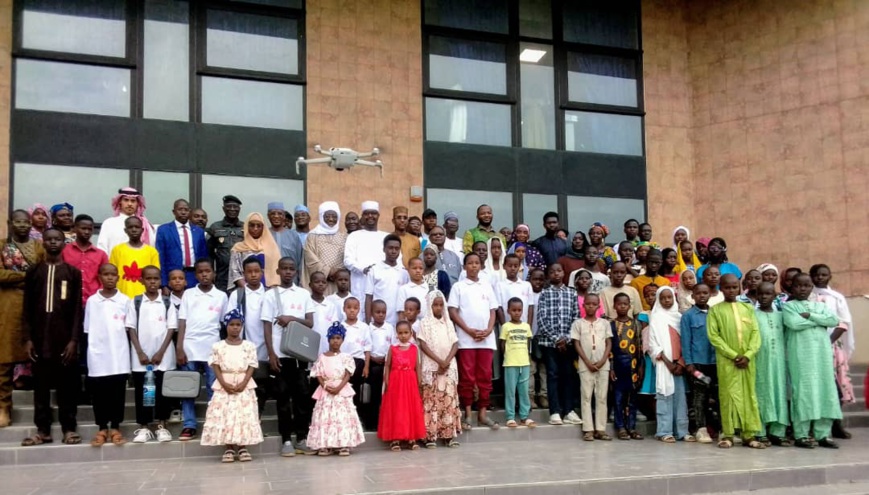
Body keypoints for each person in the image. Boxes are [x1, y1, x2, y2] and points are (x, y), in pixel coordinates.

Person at [19, 229, 83, 446]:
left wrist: (74, 340)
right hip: (39, 339)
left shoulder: (73, 273)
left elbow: (77, 310)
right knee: (41, 387)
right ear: (43, 243)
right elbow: (26, 308)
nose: (53, 242)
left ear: (64, 243)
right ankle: (43, 430)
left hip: (64, 340)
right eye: (49, 239)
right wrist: (27, 339)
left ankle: (69, 428)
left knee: (67, 386)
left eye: (57, 239)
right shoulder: (34, 271)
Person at [260, 257, 316, 456]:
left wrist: (291, 319)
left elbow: (310, 323)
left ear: (296, 272)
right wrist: (271, 353)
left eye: (291, 269)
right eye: (284, 268)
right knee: (283, 399)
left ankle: (301, 438)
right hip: (279, 355)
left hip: (299, 355)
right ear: (278, 271)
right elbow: (266, 326)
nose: (288, 272)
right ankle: (286, 440)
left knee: (302, 398)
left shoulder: (303, 294)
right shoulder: (270, 295)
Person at [783, 273, 842, 449]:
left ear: (811, 287)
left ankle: (822, 434)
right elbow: (793, 324)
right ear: (792, 288)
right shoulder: (789, 306)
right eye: (798, 285)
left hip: (821, 356)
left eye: (806, 285)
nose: (802, 289)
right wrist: (819, 321)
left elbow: (834, 320)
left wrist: (809, 316)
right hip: (801, 356)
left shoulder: (820, 305)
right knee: (803, 392)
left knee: (825, 391)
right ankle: (801, 434)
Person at [707, 274, 764, 449]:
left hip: (748, 361)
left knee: (749, 395)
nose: (731, 291)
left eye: (734, 287)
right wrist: (733, 355)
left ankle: (749, 434)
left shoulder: (747, 309)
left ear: (739, 288)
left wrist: (748, 355)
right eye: (727, 287)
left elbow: (756, 334)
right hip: (727, 361)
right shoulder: (715, 310)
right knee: (728, 396)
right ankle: (728, 434)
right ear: (721, 288)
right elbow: (714, 336)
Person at [176, 258, 229, 441]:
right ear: (196, 275)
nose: (204, 274)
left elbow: (225, 324)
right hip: (189, 347)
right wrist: (179, 347)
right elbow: (182, 322)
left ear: (213, 273)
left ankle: (213, 423)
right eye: (200, 272)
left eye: (207, 271)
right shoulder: (188, 294)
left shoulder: (221, 296)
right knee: (187, 389)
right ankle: (189, 425)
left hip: (212, 348)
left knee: (213, 387)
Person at [201, 309, 264, 463]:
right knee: (226, 414)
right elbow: (215, 366)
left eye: (238, 325)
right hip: (225, 382)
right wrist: (223, 383)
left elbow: (252, 365)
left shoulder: (249, 346)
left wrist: (244, 382)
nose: (235, 328)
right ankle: (228, 447)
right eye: (232, 324)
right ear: (226, 326)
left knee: (243, 414)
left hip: (243, 382)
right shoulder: (218, 346)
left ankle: (242, 446)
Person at [0, 210, 44, 426]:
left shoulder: (39, 247)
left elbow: (43, 274)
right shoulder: (2, 246)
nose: (23, 225)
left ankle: (42, 412)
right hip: (8, 307)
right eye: (18, 222)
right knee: (4, 359)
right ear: (10, 224)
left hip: (36, 306)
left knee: (39, 357)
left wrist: (19, 278)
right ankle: (3, 407)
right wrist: (25, 276)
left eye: (26, 222)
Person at [448, 252, 499, 430]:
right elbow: (452, 311)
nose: (474, 266)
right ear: (464, 267)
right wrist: (468, 330)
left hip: (486, 339)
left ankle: (483, 413)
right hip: (466, 339)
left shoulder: (487, 286)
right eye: (470, 263)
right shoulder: (458, 287)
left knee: (485, 375)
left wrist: (489, 329)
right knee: (467, 377)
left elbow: (493, 310)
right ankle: (468, 413)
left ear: (481, 266)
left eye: (477, 263)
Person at [127, 266, 175, 444]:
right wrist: (139, 352)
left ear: (160, 281)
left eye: (156, 278)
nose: (152, 282)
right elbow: (131, 328)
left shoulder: (166, 302)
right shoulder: (136, 302)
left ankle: (162, 425)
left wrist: (161, 352)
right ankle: (144, 426)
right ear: (142, 280)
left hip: (163, 357)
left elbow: (171, 328)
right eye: (148, 278)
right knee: (145, 391)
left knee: (162, 392)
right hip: (142, 358)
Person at [85, 263, 131, 447]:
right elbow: (87, 329)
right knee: (99, 393)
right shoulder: (92, 301)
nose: (110, 277)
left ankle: (116, 427)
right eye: (106, 274)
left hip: (118, 354)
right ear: (100, 277)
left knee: (117, 392)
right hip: (98, 355)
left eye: (113, 274)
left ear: (118, 277)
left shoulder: (125, 300)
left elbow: (129, 329)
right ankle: (102, 427)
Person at [810, 263, 855, 439]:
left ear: (830, 276)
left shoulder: (837, 298)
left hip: (833, 346)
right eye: (816, 274)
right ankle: (815, 425)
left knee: (837, 387)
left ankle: (836, 424)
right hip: (812, 347)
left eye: (824, 274)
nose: (820, 277)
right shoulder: (808, 296)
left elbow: (843, 322)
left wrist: (828, 342)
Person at [308, 322, 366, 456]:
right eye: (333, 338)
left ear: (342, 340)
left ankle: (343, 444)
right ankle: (325, 444)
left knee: (341, 417)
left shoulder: (346, 357)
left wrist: (339, 387)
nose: (335, 341)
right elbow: (318, 374)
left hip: (341, 390)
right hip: (326, 391)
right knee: (325, 418)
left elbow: (347, 374)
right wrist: (325, 386)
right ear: (328, 339)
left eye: (338, 338)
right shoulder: (322, 357)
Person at [536, 263, 581, 426]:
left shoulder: (572, 293)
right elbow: (541, 319)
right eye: (552, 271)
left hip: (568, 344)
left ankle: (569, 411)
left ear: (563, 273)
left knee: (568, 375)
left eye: (559, 271)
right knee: (553, 374)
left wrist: (566, 339)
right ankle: (554, 411)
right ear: (548, 275)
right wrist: (557, 339)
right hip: (550, 343)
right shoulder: (544, 293)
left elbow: (576, 317)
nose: (556, 273)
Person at [416, 290, 462, 448]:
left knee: (448, 400)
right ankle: (430, 436)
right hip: (432, 367)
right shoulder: (425, 323)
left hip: (448, 367)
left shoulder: (448, 323)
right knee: (432, 402)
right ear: (429, 306)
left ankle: (448, 435)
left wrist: (446, 362)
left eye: (441, 305)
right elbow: (423, 344)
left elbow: (455, 344)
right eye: (435, 305)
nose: (438, 307)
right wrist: (439, 362)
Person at [226, 256, 270, 415]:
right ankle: (244, 418)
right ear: (243, 274)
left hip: (265, 348)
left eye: (256, 271)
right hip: (242, 347)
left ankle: (257, 418)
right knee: (242, 385)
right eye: (249, 272)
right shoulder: (237, 295)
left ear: (262, 272)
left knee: (261, 385)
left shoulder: (269, 294)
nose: (253, 275)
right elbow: (229, 321)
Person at [648, 286, 693, 443]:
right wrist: (668, 363)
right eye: (663, 298)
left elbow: (686, 341)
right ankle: (664, 431)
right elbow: (653, 345)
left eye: (669, 297)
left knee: (680, 399)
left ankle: (682, 431)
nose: (667, 300)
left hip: (680, 365)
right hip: (665, 364)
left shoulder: (680, 318)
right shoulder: (656, 318)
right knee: (665, 396)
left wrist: (680, 363)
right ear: (658, 300)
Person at [377, 320, 427, 451]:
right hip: (396, 383)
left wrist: (419, 383)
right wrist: (387, 381)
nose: (403, 335)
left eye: (406, 332)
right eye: (400, 333)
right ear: (396, 334)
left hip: (410, 383)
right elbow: (387, 365)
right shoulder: (392, 348)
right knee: (397, 409)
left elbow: (417, 367)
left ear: (411, 333)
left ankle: (411, 438)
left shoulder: (414, 348)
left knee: (410, 409)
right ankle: (395, 439)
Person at [680, 283, 718, 444]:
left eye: (705, 293)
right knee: (700, 395)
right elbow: (685, 340)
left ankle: (721, 429)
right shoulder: (688, 316)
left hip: (716, 363)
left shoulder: (715, 313)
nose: (702, 296)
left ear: (710, 294)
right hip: (698, 364)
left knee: (717, 395)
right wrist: (689, 363)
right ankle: (701, 429)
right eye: (698, 293)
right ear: (692, 296)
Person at [755, 282, 790, 447]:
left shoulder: (781, 316)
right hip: (760, 362)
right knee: (761, 393)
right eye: (760, 294)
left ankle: (778, 432)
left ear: (774, 296)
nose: (764, 297)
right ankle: (760, 431)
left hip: (779, 363)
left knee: (779, 392)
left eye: (768, 294)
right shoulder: (752, 315)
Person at [572, 293, 611, 441]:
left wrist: (603, 360)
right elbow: (576, 344)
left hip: (603, 365)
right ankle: (588, 429)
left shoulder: (604, 323)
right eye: (588, 304)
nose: (590, 306)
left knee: (602, 397)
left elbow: (609, 343)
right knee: (586, 396)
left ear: (598, 306)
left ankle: (600, 429)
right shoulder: (578, 324)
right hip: (585, 365)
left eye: (594, 304)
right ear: (583, 305)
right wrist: (587, 362)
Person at [344, 201, 393, 321]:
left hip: (382, 284)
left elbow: (396, 259)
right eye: (367, 213)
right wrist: (363, 269)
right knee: (360, 317)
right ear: (362, 216)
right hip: (360, 282)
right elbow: (347, 260)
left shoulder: (386, 236)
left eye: (373, 213)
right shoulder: (354, 236)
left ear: (378, 215)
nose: (370, 216)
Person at [610, 293, 644, 440]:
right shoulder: (611, 325)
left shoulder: (636, 324)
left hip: (633, 366)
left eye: (625, 304)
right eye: (619, 304)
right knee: (618, 398)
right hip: (618, 365)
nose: (622, 306)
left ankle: (632, 427)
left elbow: (640, 345)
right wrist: (611, 367)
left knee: (632, 398)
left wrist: (640, 366)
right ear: (614, 306)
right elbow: (610, 348)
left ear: (630, 306)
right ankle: (621, 427)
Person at [156, 199, 208, 290]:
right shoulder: (164, 230)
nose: (183, 212)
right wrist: (164, 284)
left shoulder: (198, 231)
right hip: (173, 276)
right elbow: (161, 257)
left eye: (186, 210)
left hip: (194, 276)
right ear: (174, 211)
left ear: (190, 212)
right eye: (180, 209)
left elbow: (203, 257)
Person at [500, 298, 536, 428]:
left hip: (524, 363)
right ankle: (510, 417)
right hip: (510, 363)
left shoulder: (526, 326)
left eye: (519, 310)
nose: (517, 312)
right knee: (510, 391)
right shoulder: (506, 327)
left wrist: (527, 358)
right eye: (514, 310)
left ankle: (524, 417)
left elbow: (528, 344)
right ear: (508, 311)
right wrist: (508, 356)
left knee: (524, 391)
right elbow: (503, 344)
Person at [109, 216, 161, 299]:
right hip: (122, 296)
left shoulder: (152, 252)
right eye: (130, 227)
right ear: (125, 230)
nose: (134, 230)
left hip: (144, 298)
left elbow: (155, 276)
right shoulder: (117, 250)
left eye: (137, 227)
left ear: (142, 230)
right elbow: (112, 274)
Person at [337, 297, 371, 425]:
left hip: (358, 362)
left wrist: (366, 366)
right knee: (342, 389)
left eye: (355, 308)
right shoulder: (340, 326)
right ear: (344, 309)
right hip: (342, 361)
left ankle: (354, 419)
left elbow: (367, 348)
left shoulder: (363, 327)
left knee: (355, 390)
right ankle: (342, 418)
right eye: (349, 307)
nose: (352, 310)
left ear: (359, 310)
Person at [63, 214, 107, 308]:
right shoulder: (64, 251)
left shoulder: (101, 254)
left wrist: (98, 298)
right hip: (69, 301)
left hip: (93, 302)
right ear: (74, 229)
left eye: (90, 229)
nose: (87, 232)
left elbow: (104, 279)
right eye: (83, 228)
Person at [228, 212, 281, 291]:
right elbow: (235, 272)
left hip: (269, 291)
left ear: (263, 228)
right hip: (245, 290)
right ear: (246, 227)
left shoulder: (272, 247)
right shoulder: (238, 248)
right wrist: (248, 289)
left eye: (259, 226)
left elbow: (276, 271)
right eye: (252, 225)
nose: (255, 229)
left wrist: (270, 291)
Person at [303, 201, 347, 294]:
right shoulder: (312, 236)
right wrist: (328, 271)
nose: (331, 219)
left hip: (337, 281)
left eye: (334, 216)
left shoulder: (344, 237)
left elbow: (346, 257)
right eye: (327, 216)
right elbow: (310, 258)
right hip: (319, 281)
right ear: (321, 217)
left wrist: (338, 272)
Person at [364, 235, 409, 326]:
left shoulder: (404, 272)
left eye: (397, 249)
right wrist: (368, 322)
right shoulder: (374, 270)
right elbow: (368, 297)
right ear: (384, 249)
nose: (393, 251)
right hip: (378, 323)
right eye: (390, 248)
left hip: (398, 323)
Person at [98, 187, 156, 255]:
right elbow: (102, 249)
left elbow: (152, 247)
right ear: (120, 202)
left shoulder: (144, 224)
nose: (129, 204)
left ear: (137, 204)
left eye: (133, 201)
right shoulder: (109, 223)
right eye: (126, 200)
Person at [207, 195, 245, 292]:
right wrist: (211, 272)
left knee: (241, 298)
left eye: (235, 207)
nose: (232, 209)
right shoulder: (215, 227)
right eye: (229, 206)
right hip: (222, 275)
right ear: (223, 208)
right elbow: (209, 253)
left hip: (241, 274)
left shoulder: (245, 227)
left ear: (239, 209)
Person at [368, 299, 392, 427]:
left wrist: (388, 359)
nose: (381, 314)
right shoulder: (368, 328)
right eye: (378, 312)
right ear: (372, 313)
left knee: (386, 393)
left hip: (387, 365)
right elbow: (366, 347)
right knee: (375, 393)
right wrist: (372, 358)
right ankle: (373, 421)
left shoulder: (389, 328)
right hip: (373, 364)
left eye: (383, 312)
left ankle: (387, 420)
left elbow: (392, 346)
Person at [267, 202, 303, 285]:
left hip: (291, 282)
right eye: (273, 213)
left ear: (283, 216)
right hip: (269, 281)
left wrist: (300, 281)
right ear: (268, 216)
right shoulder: (264, 234)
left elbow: (300, 261)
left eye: (279, 214)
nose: (276, 216)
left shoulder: (293, 235)